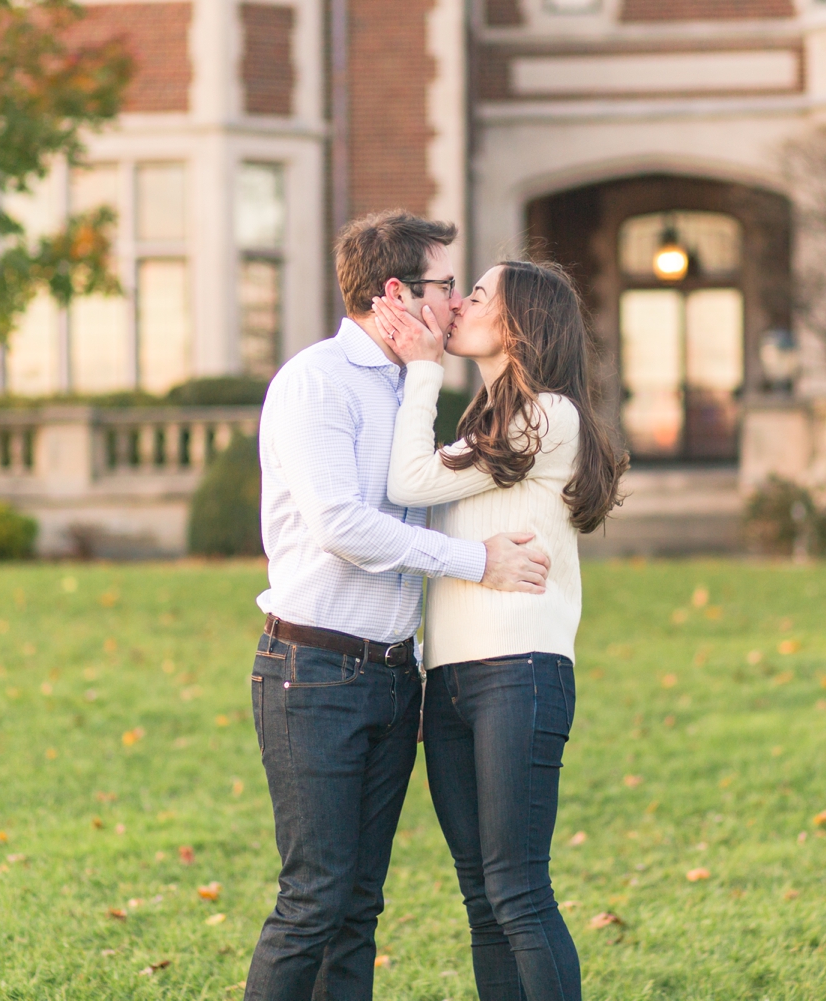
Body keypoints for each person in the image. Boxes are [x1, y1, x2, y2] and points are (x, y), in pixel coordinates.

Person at [244, 211, 554, 1001]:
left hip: (390, 677)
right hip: (311, 670)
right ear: (397, 292)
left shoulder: (412, 387)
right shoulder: (317, 382)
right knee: (312, 900)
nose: (455, 302)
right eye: (447, 285)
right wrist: (476, 562)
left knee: (357, 908)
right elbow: (343, 526)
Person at [372, 259, 627, 1001]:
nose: (457, 304)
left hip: (521, 674)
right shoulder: (486, 420)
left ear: (519, 323)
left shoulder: (548, 415)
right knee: (482, 898)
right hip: (452, 680)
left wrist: (422, 368)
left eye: (476, 294)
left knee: (516, 889)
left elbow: (407, 482)